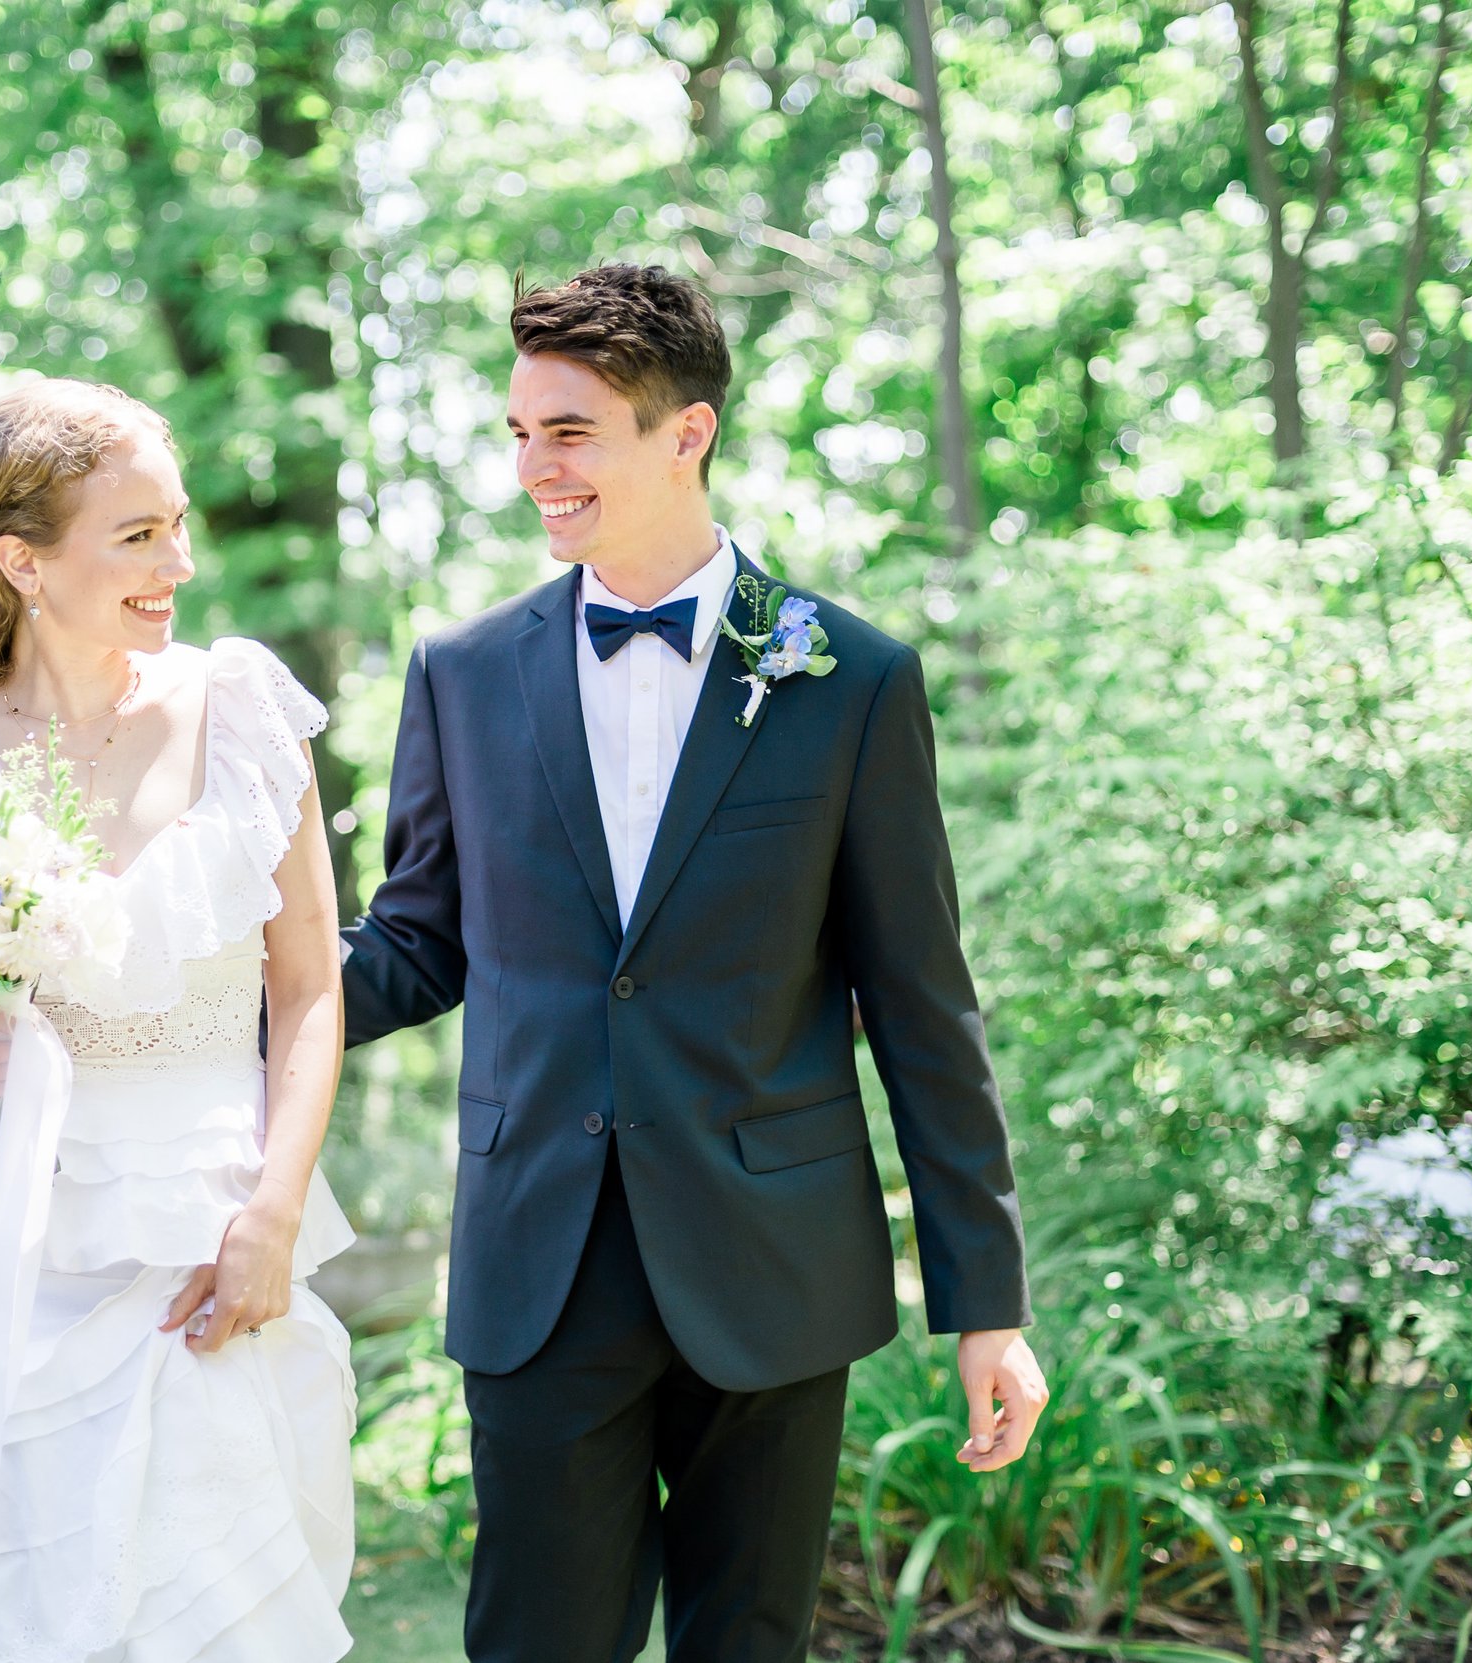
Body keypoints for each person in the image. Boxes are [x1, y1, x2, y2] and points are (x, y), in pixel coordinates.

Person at [340, 264, 1050, 1662]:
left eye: (571, 431)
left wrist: (988, 1303)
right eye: (520, 433)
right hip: (540, 1260)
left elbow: (921, 1004)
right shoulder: (462, 674)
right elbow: (416, 944)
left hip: (773, 1263)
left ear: (687, 432)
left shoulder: (849, 677)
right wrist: (189, 1001)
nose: (536, 468)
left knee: (750, 1641)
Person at [0, 381, 356, 1662]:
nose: (178, 563)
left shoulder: (239, 713)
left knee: (208, 1605)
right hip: (3, 1231)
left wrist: (273, 1209)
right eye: (136, 536)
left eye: (175, 526)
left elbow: (312, 987)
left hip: (200, 1225)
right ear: (22, 559)